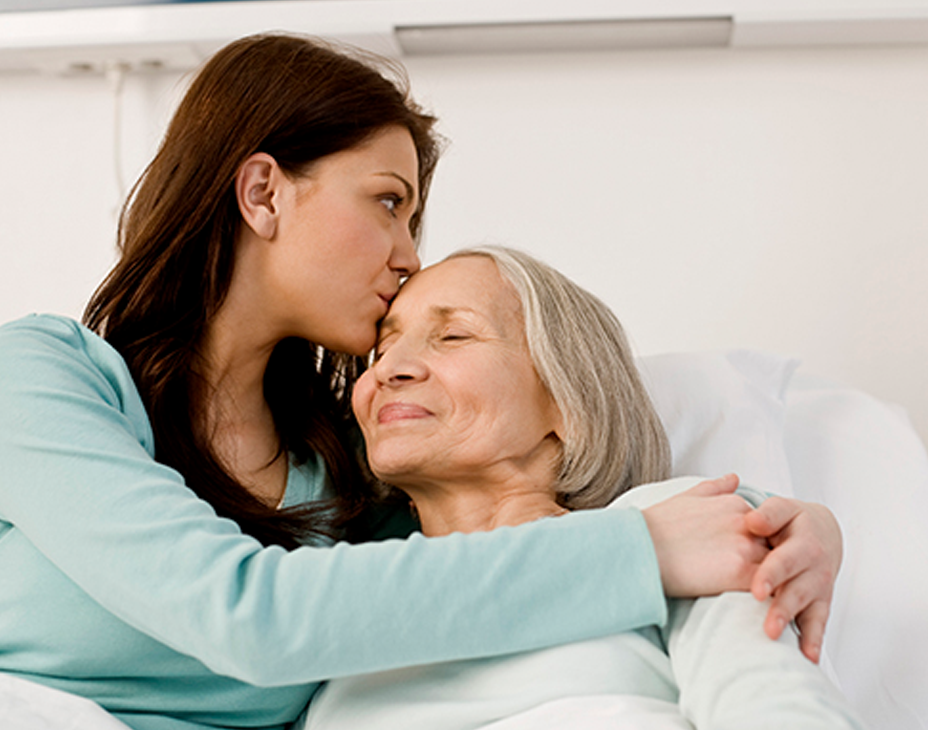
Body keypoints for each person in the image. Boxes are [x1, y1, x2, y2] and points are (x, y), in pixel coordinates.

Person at [0, 33, 839, 730]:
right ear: (263, 194)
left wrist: (780, 524)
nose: (407, 255)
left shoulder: (344, 483)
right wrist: (649, 548)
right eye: (388, 202)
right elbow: (248, 614)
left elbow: (501, 527)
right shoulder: (40, 377)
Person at [300, 246, 864, 730]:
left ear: (568, 401)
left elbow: (772, 704)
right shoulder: (346, 601)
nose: (389, 368)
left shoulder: (669, 526)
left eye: (452, 334)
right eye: (379, 351)